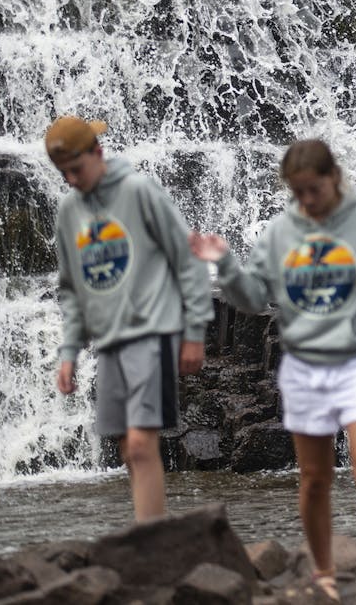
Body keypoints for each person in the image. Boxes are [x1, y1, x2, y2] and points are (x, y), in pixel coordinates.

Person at [189, 139, 356, 600]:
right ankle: (323, 569)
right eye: (298, 191)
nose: (307, 200)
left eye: (315, 190)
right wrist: (223, 263)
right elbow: (252, 299)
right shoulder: (281, 232)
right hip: (304, 367)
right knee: (314, 477)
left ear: (334, 179)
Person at [46, 115, 213, 523]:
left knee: (141, 444)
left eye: (76, 169)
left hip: (153, 330)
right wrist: (69, 352)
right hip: (109, 341)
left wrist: (194, 331)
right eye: (62, 172)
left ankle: (152, 541)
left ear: (98, 154)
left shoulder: (139, 191)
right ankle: (148, 529)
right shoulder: (70, 211)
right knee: (127, 448)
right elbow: (71, 288)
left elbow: (186, 257)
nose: (70, 179)